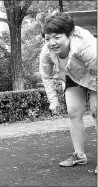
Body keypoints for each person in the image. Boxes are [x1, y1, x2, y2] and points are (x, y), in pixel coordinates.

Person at [39, 12, 97, 174]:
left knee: (96, 111)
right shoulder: (46, 51)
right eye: (47, 38)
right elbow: (46, 75)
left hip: (95, 73)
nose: (51, 43)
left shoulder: (87, 47)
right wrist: (53, 100)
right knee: (72, 111)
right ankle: (79, 155)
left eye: (57, 37)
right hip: (73, 73)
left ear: (70, 34)